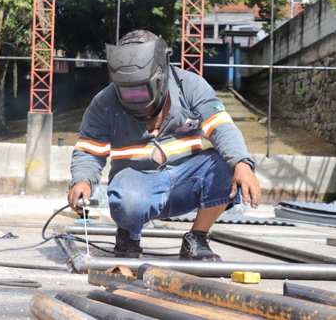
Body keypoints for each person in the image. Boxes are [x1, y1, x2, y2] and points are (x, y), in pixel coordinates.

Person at [67, 30, 261, 261]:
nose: (134, 98)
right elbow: (89, 150)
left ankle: (197, 238)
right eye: (127, 91)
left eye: (141, 90)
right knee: (128, 200)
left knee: (228, 166)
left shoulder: (190, 86)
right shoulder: (104, 103)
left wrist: (241, 162)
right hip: (137, 184)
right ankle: (129, 235)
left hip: (187, 182)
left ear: (160, 75)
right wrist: (82, 181)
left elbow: (221, 127)